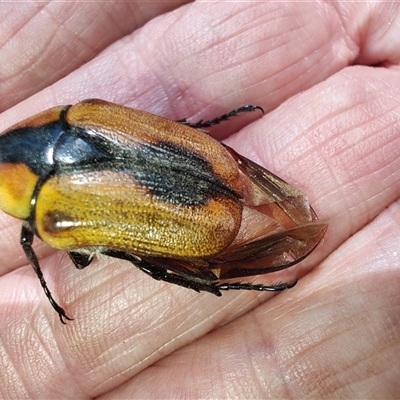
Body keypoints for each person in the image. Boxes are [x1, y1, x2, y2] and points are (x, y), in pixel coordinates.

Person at [0, 2, 399, 398]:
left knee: (150, 265)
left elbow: (81, 258)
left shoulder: (55, 219)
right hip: (207, 178)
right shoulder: (82, 115)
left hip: (203, 208)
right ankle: (231, 273)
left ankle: (226, 279)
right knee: (152, 261)